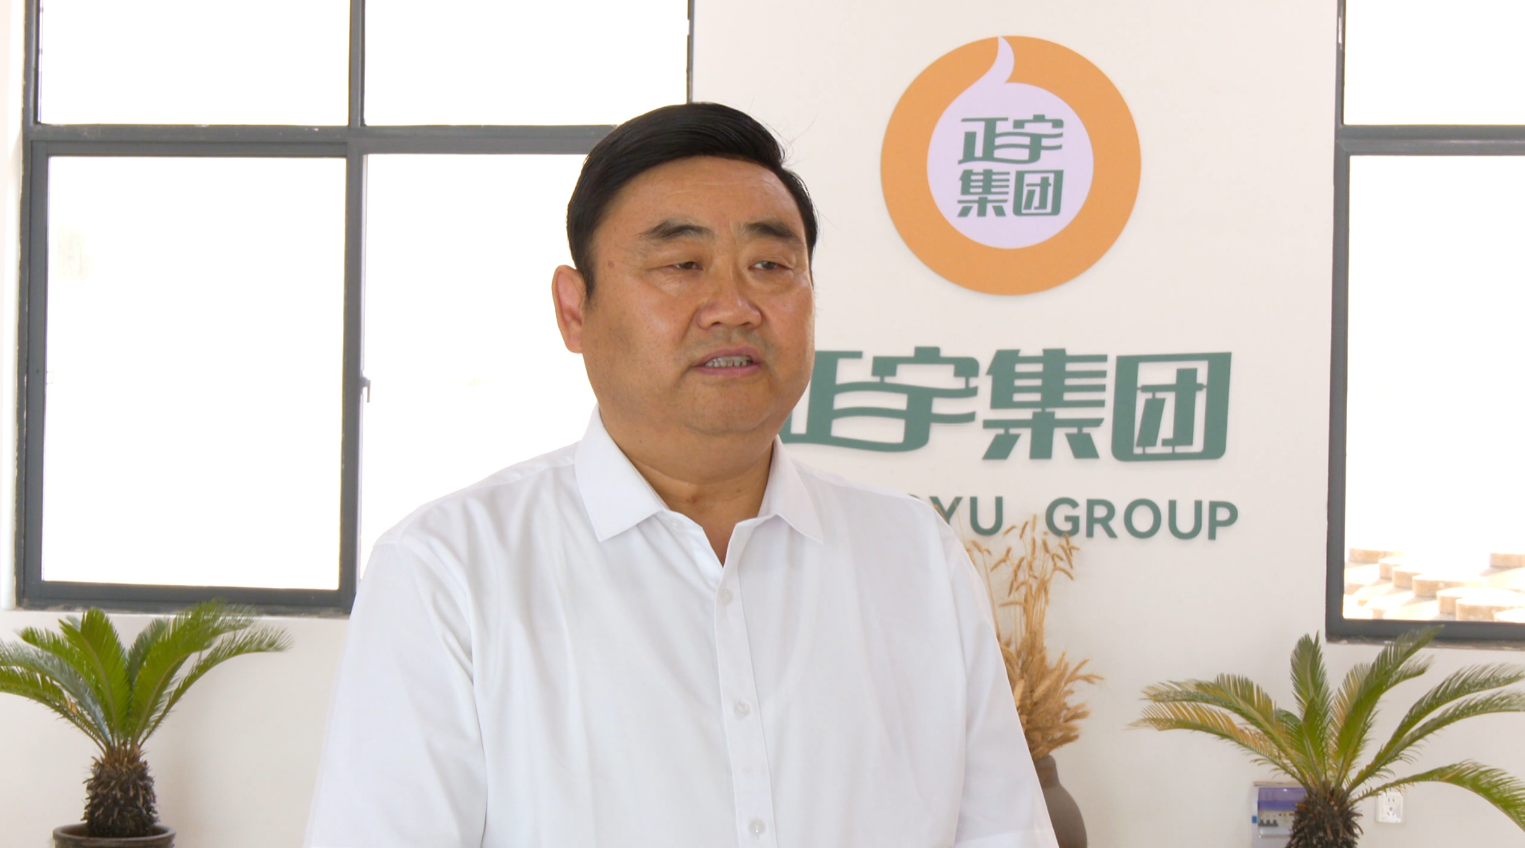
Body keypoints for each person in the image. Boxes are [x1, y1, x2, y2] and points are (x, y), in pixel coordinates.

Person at [305, 102, 1057, 848]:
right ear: (574, 310)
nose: (733, 308)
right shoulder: (451, 570)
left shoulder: (913, 553)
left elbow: (1004, 832)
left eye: (770, 266)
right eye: (681, 266)